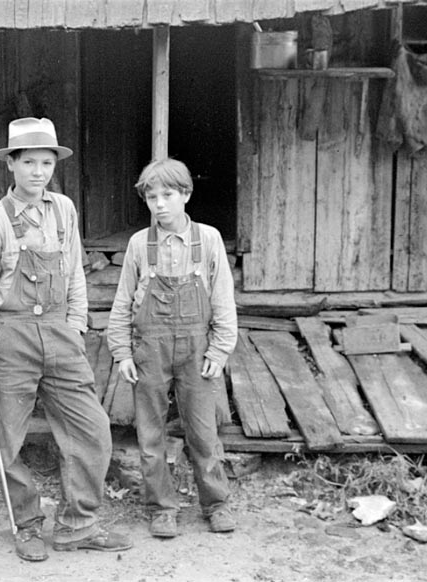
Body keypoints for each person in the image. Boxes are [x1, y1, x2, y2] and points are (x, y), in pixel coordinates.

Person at [0, 117, 132, 562]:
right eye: (29, 162)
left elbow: (75, 271)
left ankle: (79, 525)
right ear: (11, 166)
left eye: (46, 163)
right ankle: (28, 525)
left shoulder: (63, 209)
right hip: (10, 338)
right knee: (8, 439)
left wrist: (76, 324)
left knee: (92, 429)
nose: (38, 172)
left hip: (60, 333)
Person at [107, 158, 238, 538]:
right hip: (150, 348)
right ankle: (161, 507)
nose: (159, 204)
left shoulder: (208, 239)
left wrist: (219, 350)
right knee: (150, 435)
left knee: (203, 432)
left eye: (168, 195)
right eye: (152, 197)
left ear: (186, 194)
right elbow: (122, 302)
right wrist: (122, 352)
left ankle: (216, 503)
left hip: (197, 349)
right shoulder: (138, 244)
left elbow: (224, 300)